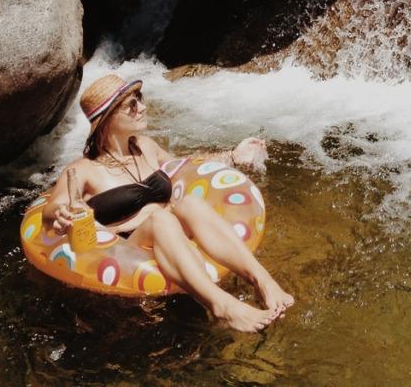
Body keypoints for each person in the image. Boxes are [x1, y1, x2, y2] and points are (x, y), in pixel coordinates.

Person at [43, 74, 294, 332]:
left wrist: (232, 155)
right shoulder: (83, 170)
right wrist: (60, 214)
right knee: (160, 219)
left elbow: (186, 166)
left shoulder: (145, 147)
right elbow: (51, 210)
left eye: (140, 99)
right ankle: (223, 307)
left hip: (172, 233)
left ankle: (263, 281)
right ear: (107, 118)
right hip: (130, 247)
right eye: (131, 104)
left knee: (190, 203)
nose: (142, 107)